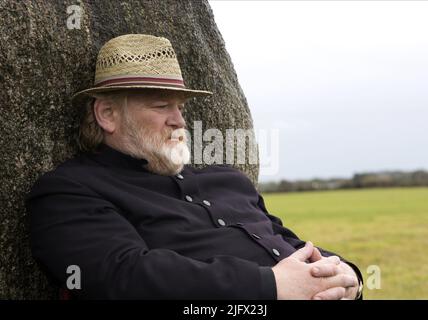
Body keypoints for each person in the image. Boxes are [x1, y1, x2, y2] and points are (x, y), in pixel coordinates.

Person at [26, 34, 363, 300]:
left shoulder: (228, 179)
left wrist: (347, 275)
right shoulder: (69, 191)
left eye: (181, 107)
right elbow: (124, 277)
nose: (179, 120)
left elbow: (286, 241)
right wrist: (269, 285)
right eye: (162, 106)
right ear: (108, 115)